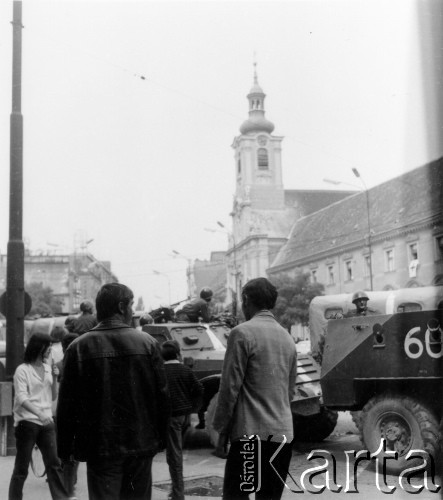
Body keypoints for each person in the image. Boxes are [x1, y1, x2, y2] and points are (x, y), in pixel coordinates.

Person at [56, 283, 170, 500]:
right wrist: (161, 439)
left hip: (100, 447)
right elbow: (161, 396)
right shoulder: (148, 344)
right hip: (140, 443)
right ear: (121, 306)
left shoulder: (79, 347)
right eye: (131, 305)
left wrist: (65, 449)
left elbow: (67, 406)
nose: (132, 310)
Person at [213, 277, 297, 500]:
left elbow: (229, 388)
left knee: (236, 496)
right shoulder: (287, 338)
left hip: (249, 438)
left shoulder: (241, 333)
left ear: (246, 300)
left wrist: (221, 431)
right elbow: (289, 392)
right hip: (281, 437)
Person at [8, 332, 70, 500]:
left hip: (46, 422)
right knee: (22, 467)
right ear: (39, 348)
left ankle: (61, 498)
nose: (50, 350)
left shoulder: (49, 368)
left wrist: (56, 378)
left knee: (54, 464)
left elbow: (52, 397)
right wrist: (40, 414)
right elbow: (21, 398)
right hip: (27, 423)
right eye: (48, 347)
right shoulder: (22, 370)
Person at [161, 340, 203, 500]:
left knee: (174, 456)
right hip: (184, 416)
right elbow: (199, 389)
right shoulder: (185, 370)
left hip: (171, 417)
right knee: (175, 453)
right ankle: (175, 490)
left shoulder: (161, 371)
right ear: (178, 354)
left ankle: (178, 493)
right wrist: (193, 408)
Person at [55, 333, 80, 499]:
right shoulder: (82, 364)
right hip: (77, 413)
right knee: (73, 453)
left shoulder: (58, 365)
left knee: (66, 453)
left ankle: (67, 484)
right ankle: (69, 486)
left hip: (61, 413)